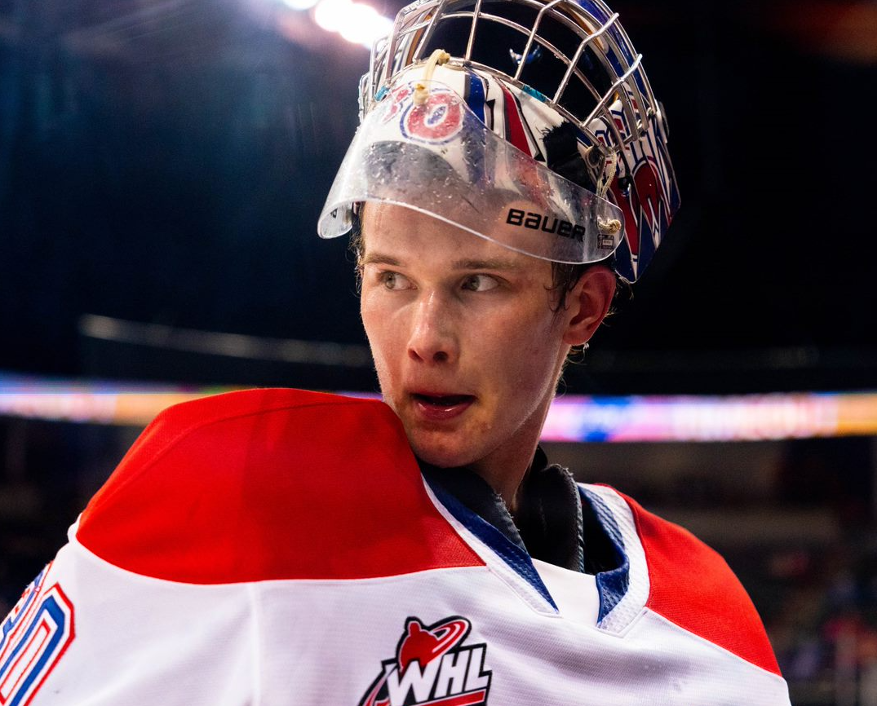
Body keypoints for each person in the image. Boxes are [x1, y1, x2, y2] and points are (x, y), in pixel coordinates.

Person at [0, 1, 790, 704]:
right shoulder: (229, 485)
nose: (423, 339)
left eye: (478, 282)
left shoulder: (714, 632)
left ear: (581, 307)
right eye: (390, 277)